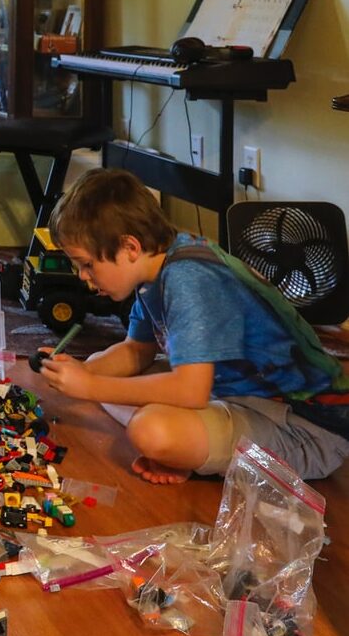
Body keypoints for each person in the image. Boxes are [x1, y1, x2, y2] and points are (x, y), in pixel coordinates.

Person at [39, 168, 349, 484]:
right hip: (229, 394)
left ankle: (191, 451)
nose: (82, 276)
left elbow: (191, 390)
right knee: (96, 366)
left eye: (87, 264)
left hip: (305, 430)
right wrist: (80, 372)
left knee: (151, 430)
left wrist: (89, 387)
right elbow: (137, 350)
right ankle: (195, 450)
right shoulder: (155, 267)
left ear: (130, 247)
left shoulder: (189, 277)